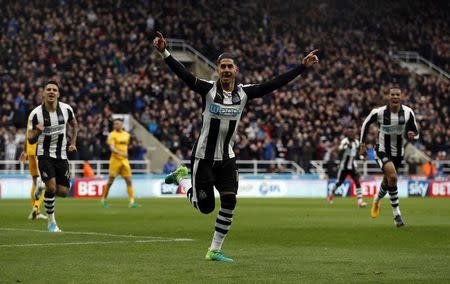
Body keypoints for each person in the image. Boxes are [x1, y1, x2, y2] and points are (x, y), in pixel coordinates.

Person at [153, 31, 319, 262]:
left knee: (230, 200)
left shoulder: (244, 93)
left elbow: (273, 84)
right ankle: (182, 178)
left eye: (230, 66)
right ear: (218, 70)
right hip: (203, 157)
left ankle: (214, 250)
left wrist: (301, 67)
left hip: (227, 157)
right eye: (223, 66)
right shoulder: (208, 90)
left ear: (236, 70)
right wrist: (164, 52)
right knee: (205, 208)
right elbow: (184, 75)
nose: (227, 70)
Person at [359, 87, 419, 227]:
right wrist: (362, 144)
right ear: (389, 96)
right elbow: (365, 124)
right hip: (381, 150)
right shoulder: (379, 112)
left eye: (398, 94)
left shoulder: (408, 112)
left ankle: (376, 199)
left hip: (398, 153)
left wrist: (412, 135)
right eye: (392, 94)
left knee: (387, 181)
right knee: (393, 177)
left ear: (401, 96)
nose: (395, 97)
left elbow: (415, 131)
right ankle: (396, 214)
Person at [27, 80, 78, 232]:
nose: (51, 92)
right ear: (43, 93)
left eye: (54, 90)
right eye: (48, 89)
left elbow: (74, 125)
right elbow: (30, 138)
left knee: (63, 192)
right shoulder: (36, 114)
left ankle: (41, 186)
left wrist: (73, 142)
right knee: (52, 187)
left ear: (58, 93)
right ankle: (51, 223)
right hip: (44, 154)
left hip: (61, 155)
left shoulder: (66, 109)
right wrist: (38, 129)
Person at [101, 118, 140, 208]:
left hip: (124, 161)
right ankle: (103, 199)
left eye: (117, 124)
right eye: (115, 124)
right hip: (115, 161)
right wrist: (121, 153)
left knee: (129, 181)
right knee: (110, 181)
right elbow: (112, 148)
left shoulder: (127, 135)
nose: (116, 125)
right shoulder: (112, 135)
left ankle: (132, 201)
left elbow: (125, 146)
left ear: (122, 125)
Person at [327, 128, 367, 207]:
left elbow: (361, 151)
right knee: (339, 183)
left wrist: (363, 156)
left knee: (357, 182)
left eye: (353, 133)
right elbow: (339, 149)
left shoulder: (356, 142)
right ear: (348, 135)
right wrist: (345, 147)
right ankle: (331, 193)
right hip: (343, 167)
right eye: (351, 133)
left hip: (352, 166)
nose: (353, 135)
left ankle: (360, 202)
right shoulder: (344, 141)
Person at [19, 115, 47, 220]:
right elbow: (41, 131)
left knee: (35, 182)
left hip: (30, 151)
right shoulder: (42, 115)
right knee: (45, 183)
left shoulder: (31, 115)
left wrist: (25, 150)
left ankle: (37, 211)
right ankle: (36, 208)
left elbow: (28, 134)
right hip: (38, 151)